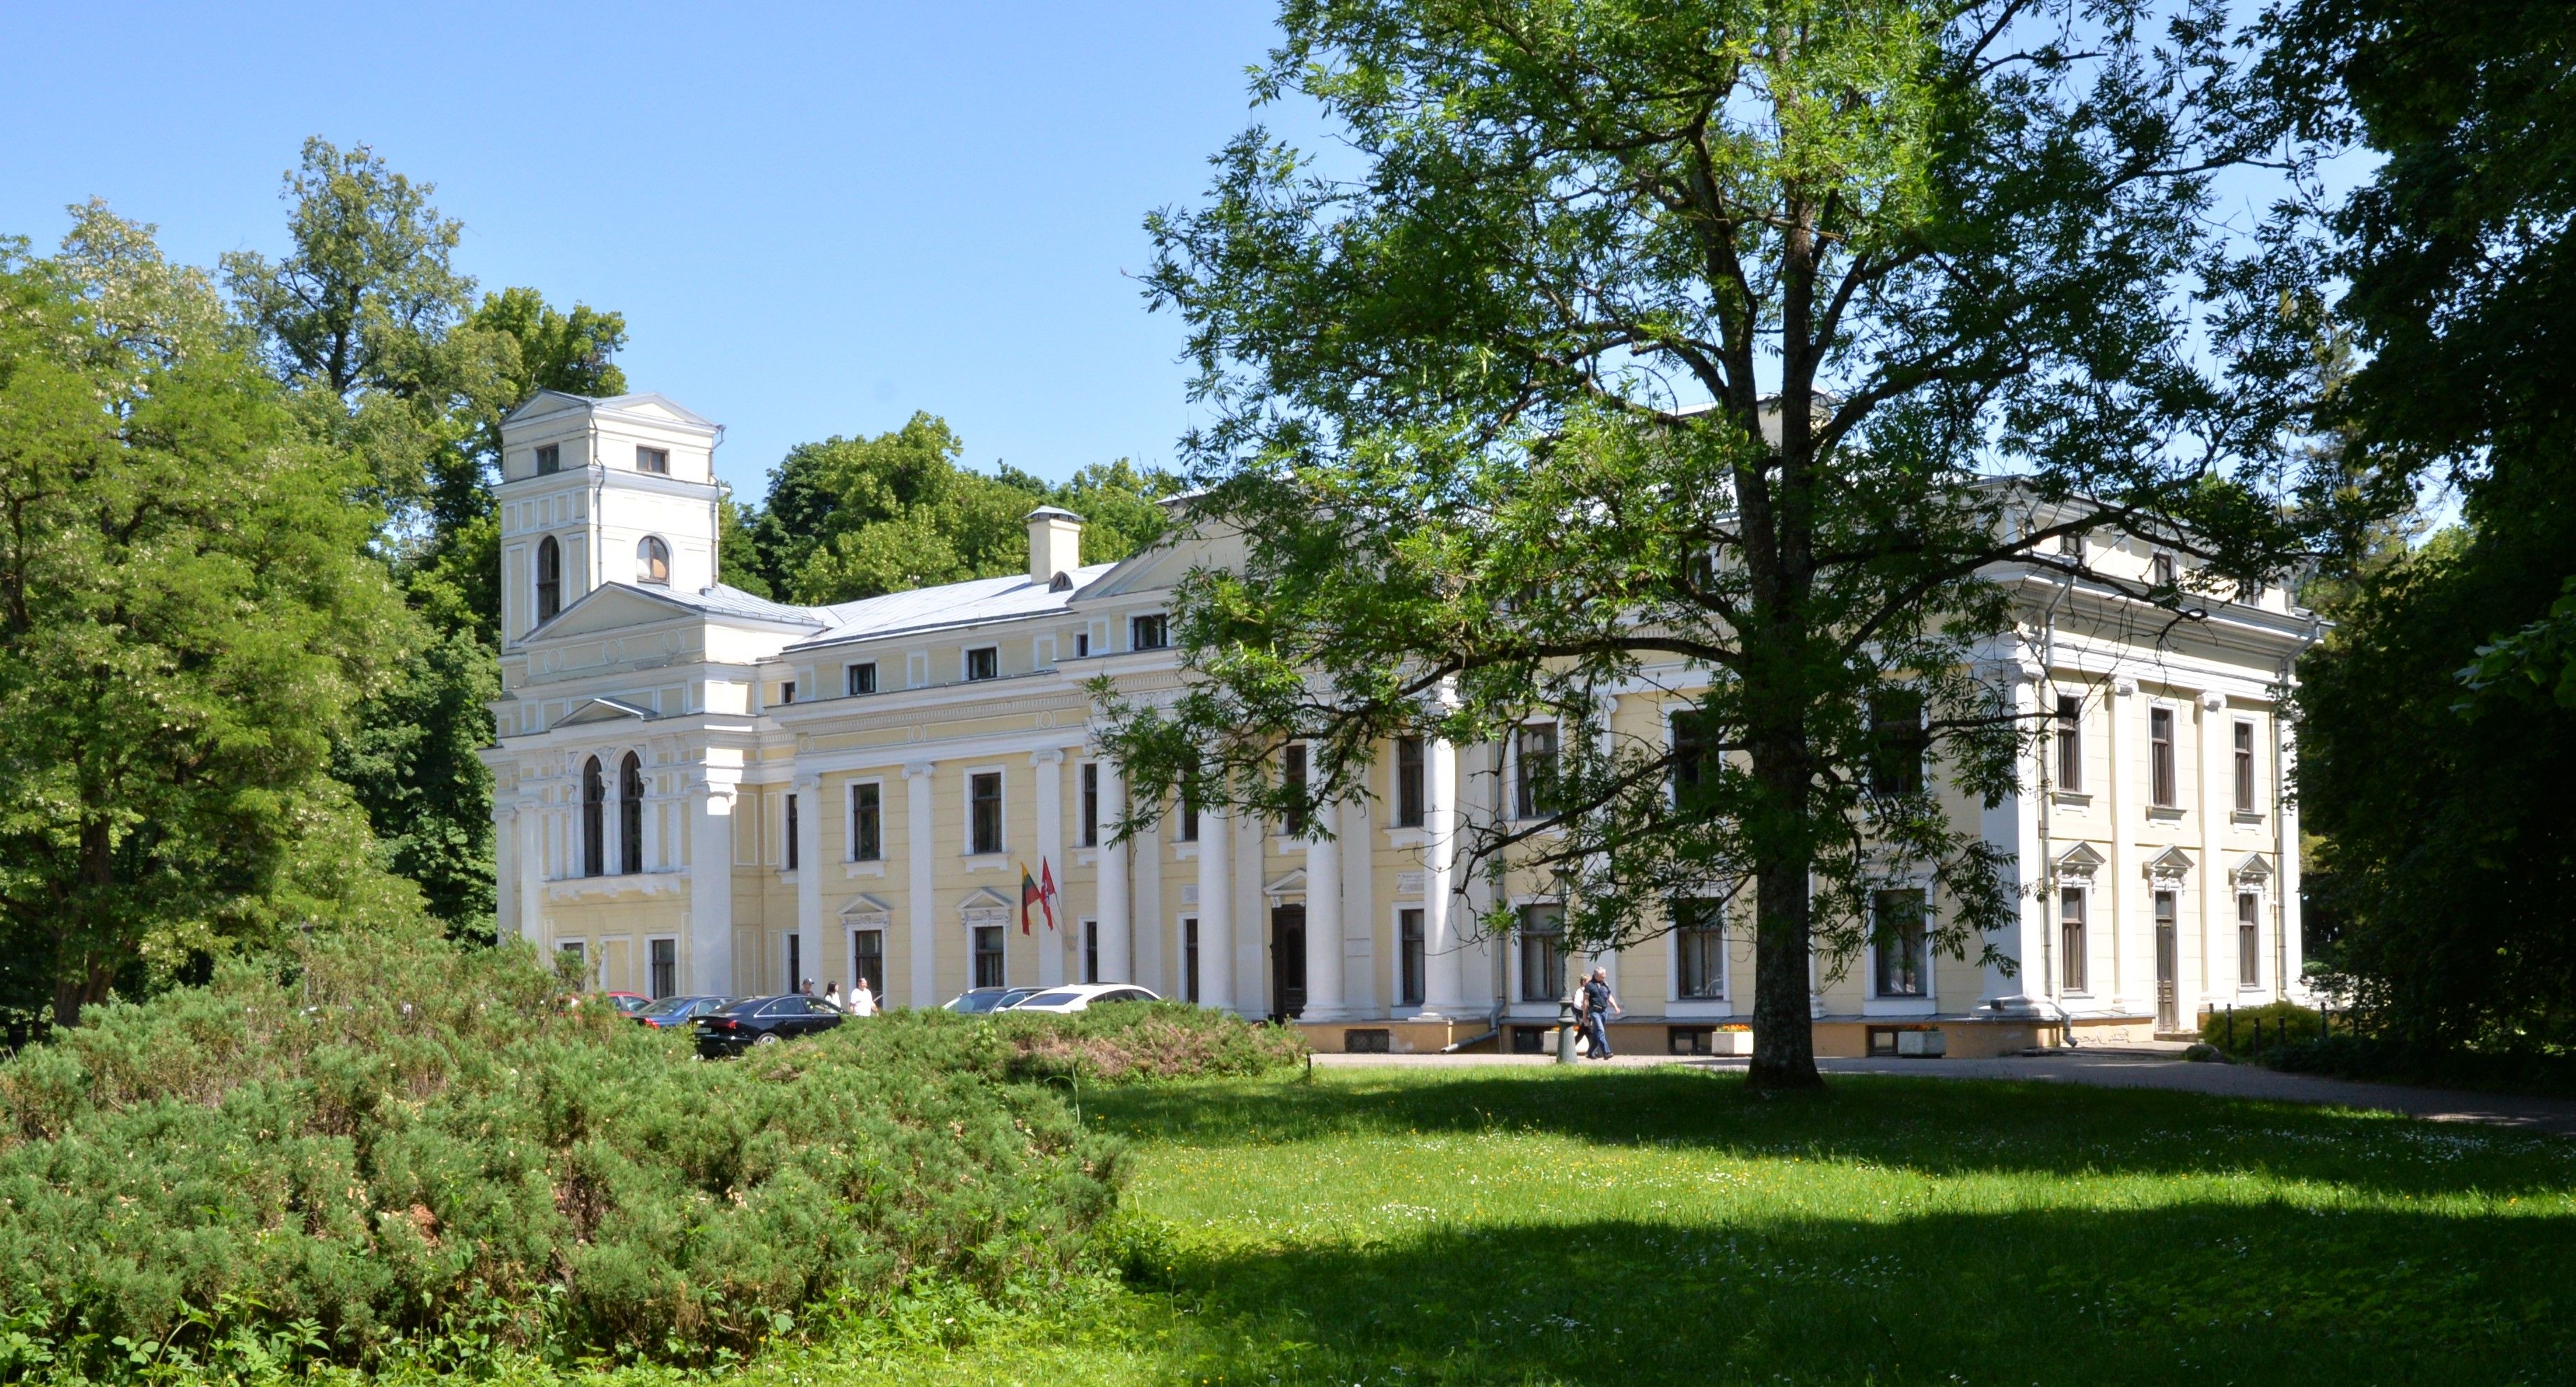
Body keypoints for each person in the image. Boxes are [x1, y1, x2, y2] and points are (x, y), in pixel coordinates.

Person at [1580, 967, 1620, 1060]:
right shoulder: (1589, 985)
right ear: (1596, 976)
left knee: (1596, 1033)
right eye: (1602, 976)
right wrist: (1585, 1016)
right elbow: (1585, 1001)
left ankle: (1590, 1052)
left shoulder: (1605, 984)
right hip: (1594, 1012)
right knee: (1601, 1030)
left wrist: (1616, 1007)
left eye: (1604, 976)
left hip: (1604, 1012)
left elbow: (1609, 997)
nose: (1604, 978)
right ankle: (1606, 1052)